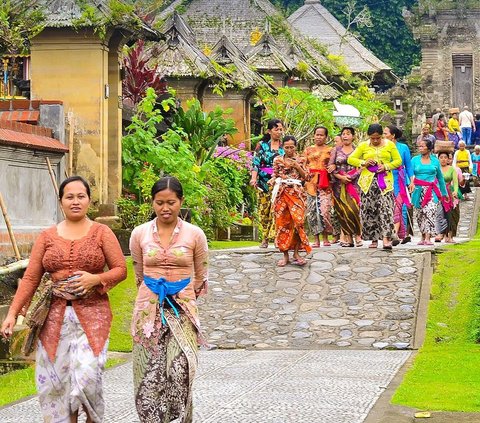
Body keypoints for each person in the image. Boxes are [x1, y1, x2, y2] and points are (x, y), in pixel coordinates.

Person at [0, 176, 127, 423]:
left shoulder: (102, 232)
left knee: (88, 379)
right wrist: (13, 313)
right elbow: (30, 278)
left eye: (81, 196)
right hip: (53, 320)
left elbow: (120, 269)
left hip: (93, 316)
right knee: (57, 383)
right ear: (61, 202)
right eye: (70, 197)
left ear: (89, 200)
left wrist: (94, 279)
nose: (75, 201)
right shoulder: (47, 236)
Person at [130, 176, 208, 422]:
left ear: (181, 202)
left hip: (182, 309)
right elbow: (139, 272)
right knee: (149, 372)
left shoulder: (195, 234)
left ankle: (181, 417)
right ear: (152, 203)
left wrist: (182, 294)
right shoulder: (139, 233)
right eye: (160, 202)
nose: (165, 208)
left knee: (180, 369)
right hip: (148, 311)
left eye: (171, 202)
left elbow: (201, 275)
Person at [347, 123, 402, 249]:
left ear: (382, 136)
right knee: (369, 210)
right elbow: (351, 159)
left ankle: (386, 238)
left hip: (385, 183)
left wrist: (386, 166)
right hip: (367, 183)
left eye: (378, 138)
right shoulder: (363, 146)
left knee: (386, 209)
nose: (375, 140)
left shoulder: (390, 145)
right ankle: (373, 239)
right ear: (369, 136)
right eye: (373, 138)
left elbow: (398, 161)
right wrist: (363, 162)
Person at [272, 135, 312, 266]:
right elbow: (275, 174)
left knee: (298, 222)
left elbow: (306, 176)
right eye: (286, 147)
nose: (289, 150)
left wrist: (297, 166)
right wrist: (273, 180)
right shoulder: (278, 160)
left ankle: (296, 253)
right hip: (282, 193)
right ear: (283, 147)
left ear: (296, 147)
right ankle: (285, 255)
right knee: (283, 223)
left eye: (292, 147)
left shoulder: (302, 159)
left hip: (297, 194)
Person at [250, 119, 284, 248]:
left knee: (276, 210)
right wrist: (254, 178)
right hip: (263, 183)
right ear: (269, 131)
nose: (279, 132)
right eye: (276, 129)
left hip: (279, 183)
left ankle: (276, 238)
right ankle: (264, 238)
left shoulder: (284, 146)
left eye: (281, 129)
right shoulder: (262, 145)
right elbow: (256, 163)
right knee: (264, 212)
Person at [409, 140, 448, 245]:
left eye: (422, 146)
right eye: (419, 146)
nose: (420, 148)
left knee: (430, 212)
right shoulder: (414, 160)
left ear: (429, 148)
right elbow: (410, 174)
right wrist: (410, 184)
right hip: (418, 190)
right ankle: (422, 236)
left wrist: (444, 193)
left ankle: (428, 237)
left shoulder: (435, 161)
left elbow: (440, 178)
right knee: (420, 214)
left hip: (431, 191)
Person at [329, 127, 362, 247]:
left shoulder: (358, 150)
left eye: (348, 134)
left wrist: (352, 176)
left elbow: (361, 166)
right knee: (342, 211)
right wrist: (339, 177)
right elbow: (331, 167)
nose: (345, 136)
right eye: (343, 134)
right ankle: (348, 238)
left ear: (353, 136)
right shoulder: (336, 150)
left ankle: (358, 234)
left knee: (353, 209)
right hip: (339, 184)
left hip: (354, 184)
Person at [303, 126, 333, 247]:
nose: (319, 137)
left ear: (326, 137)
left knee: (324, 210)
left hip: (325, 182)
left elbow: (333, 164)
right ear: (313, 135)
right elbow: (303, 164)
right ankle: (316, 239)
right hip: (311, 182)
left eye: (321, 135)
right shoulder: (308, 150)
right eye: (317, 134)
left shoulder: (330, 150)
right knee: (312, 211)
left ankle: (326, 237)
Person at [384, 125, 413, 243]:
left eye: (385, 133)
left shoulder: (403, 147)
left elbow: (409, 166)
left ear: (393, 135)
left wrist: (411, 181)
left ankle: (397, 233)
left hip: (400, 179)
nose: (383, 135)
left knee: (400, 206)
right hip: (385, 179)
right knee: (388, 207)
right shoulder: (382, 147)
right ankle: (393, 233)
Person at [435, 151, 459, 243]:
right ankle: (440, 233)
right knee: (438, 213)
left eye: (445, 157)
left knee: (449, 214)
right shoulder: (436, 168)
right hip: (437, 192)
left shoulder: (451, 169)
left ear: (448, 159)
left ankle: (449, 235)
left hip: (448, 194)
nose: (443, 159)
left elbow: (455, 182)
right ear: (438, 159)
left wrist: (455, 191)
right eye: (441, 157)